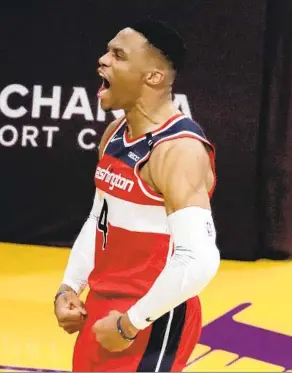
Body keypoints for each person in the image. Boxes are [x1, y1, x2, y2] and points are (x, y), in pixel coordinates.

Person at [54, 17, 220, 372]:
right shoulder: (115, 134)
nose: (102, 60)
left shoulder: (179, 150)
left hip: (151, 316)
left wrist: (130, 324)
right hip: (101, 308)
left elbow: (199, 260)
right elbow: (100, 219)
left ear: (153, 77)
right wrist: (70, 286)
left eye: (118, 55)